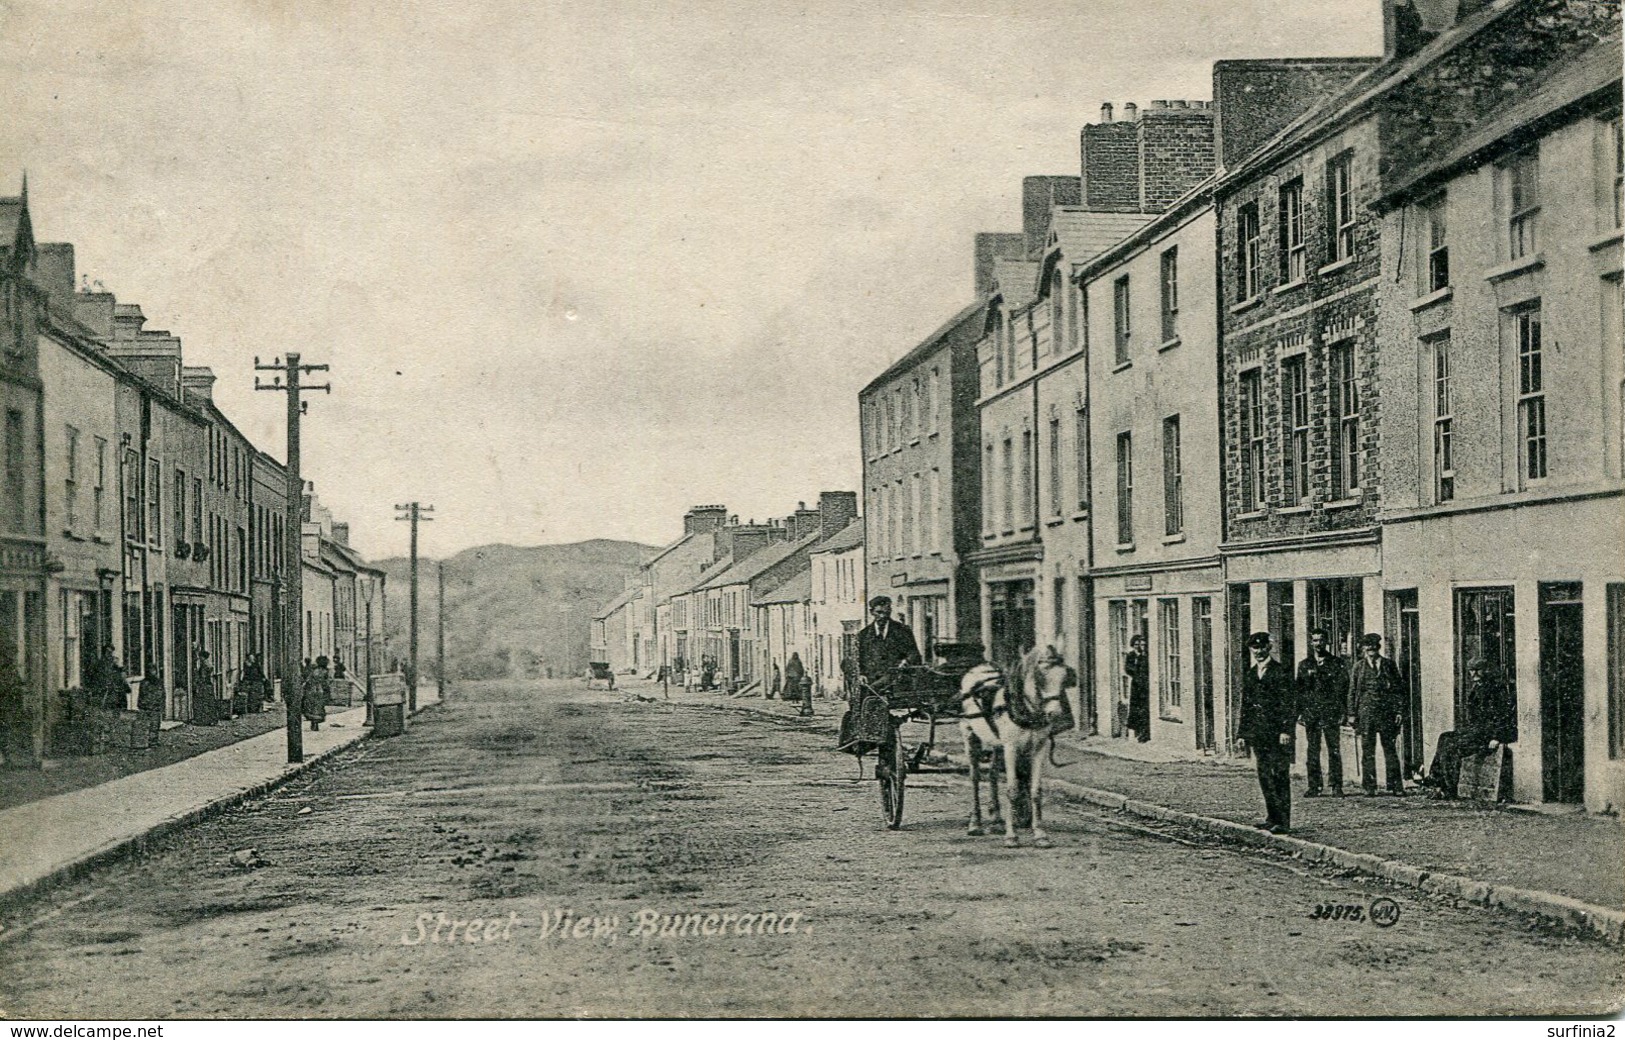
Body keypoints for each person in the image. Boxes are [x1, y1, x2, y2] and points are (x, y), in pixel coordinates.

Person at [1239, 631, 1296, 834]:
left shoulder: (1281, 671)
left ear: (1269, 648)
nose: (1259, 651)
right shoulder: (1251, 673)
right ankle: (1271, 817)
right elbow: (1246, 705)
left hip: (1277, 734)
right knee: (1264, 775)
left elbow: (1289, 704)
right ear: (1251, 650)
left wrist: (1286, 730)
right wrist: (1241, 733)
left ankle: (1283, 820)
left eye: (1262, 647)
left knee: (1279, 774)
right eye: (1255, 648)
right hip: (1258, 733)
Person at [1349, 633, 1406, 796]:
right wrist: (1351, 714)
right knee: (1367, 750)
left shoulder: (1388, 665)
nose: (1371, 648)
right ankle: (1369, 786)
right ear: (1363, 648)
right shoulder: (1358, 667)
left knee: (1390, 749)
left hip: (1386, 713)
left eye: (1374, 645)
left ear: (1379, 646)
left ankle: (1396, 786)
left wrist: (1399, 711)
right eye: (1368, 645)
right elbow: (1352, 691)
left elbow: (1398, 690)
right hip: (1366, 713)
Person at [1295, 628, 1347, 797]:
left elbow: (1342, 690)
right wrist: (1299, 713)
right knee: (1312, 750)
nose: (1318, 644)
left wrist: (1343, 712)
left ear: (1327, 642)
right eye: (1315, 640)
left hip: (1330, 712)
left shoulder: (1336, 663)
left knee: (1334, 749)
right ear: (1311, 643)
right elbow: (1300, 691)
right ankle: (1314, 786)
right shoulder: (1304, 665)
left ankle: (1336, 785)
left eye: (1321, 640)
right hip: (1312, 713)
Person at [856, 596, 921, 696]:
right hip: (870, 680)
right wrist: (861, 674)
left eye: (886, 613)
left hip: (896, 680)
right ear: (871, 612)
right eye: (879, 612)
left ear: (890, 611)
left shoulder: (903, 630)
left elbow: (914, 653)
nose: (883, 616)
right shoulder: (864, 635)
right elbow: (857, 659)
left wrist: (906, 661)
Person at [1124, 634, 1151, 743]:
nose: (1137, 647)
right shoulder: (1130, 655)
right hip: (1136, 685)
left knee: (1144, 708)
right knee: (1136, 708)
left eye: (1139, 645)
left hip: (1144, 685)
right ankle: (1138, 731)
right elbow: (1128, 669)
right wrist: (1135, 671)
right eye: (1135, 644)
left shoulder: (1144, 655)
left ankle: (1144, 732)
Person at [305, 655, 331, 731]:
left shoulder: (314, 671)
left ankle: (313, 723)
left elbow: (308, 680)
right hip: (320, 691)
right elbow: (327, 682)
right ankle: (315, 723)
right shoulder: (325, 671)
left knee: (312, 707)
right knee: (318, 707)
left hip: (311, 690)